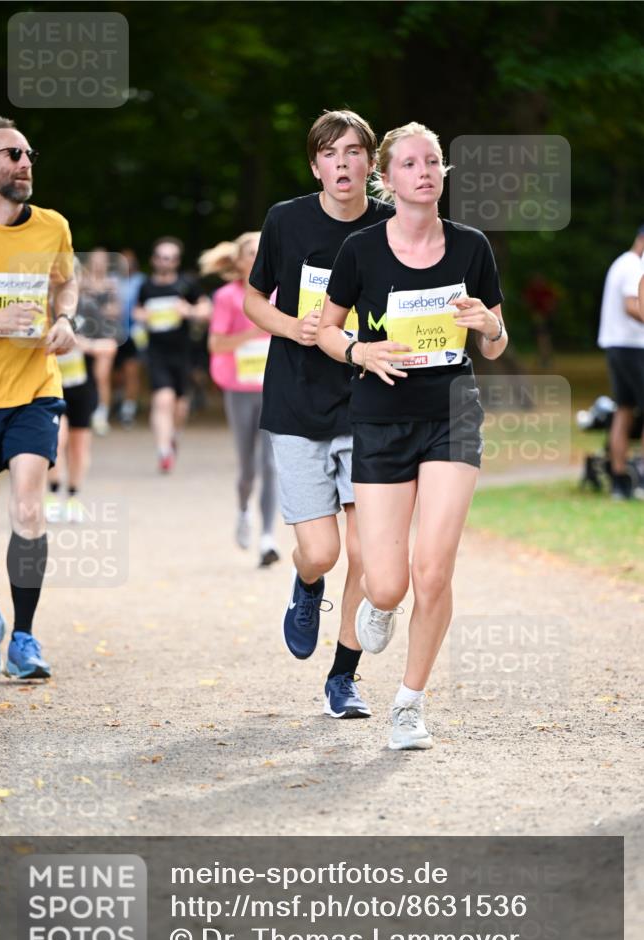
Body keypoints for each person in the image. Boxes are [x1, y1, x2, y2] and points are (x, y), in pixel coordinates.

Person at [317, 122, 508, 749]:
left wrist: (487, 325)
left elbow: (497, 340)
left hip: (453, 414)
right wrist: (359, 352)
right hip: (380, 417)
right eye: (409, 163)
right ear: (388, 178)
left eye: (433, 162)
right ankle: (379, 600)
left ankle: (409, 702)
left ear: (442, 175)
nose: (423, 171)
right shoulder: (362, 251)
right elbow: (325, 330)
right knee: (388, 581)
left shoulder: (472, 246)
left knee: (433, 570)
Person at [244, 109, 394, 720]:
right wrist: (296, 329)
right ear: (316, 165)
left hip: (371, 403)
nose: (343, 163)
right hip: (298, 400)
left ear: (370, 164)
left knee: (368, 553)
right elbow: (255, 300)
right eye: (331, 153)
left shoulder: (392, 225)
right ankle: (307, 586)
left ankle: (343, 678)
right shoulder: (286, 219)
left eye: (355, 152)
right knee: (324, 553)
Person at [0, 114, 77, 679]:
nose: (24, 162)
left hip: (34, 389)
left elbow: (67, 280)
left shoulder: (52, 226)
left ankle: (27, 638)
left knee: (28, 508)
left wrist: (65, 317)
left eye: (28, 154)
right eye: (11, 154)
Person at [201, 233, 280, 567]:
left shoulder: (282, 293)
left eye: (263, 250)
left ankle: (267, 539)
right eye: (251, 252)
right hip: (239, 388)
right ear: (239, 261)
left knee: (271, 465)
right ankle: (244, 509)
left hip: (274, 389)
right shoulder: (227, 297)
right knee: (248, 468)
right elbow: (216, 345)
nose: (258, 256)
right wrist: (253, 332)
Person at [46, 262, 118, 522]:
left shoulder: (88, 309)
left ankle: (74, 496)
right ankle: (52, 493)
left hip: (81, 387)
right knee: (56, 439)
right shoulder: (40, 308)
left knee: (78, 446)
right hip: (49, 387)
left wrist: (84, 345)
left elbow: (110, 346)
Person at [133, 237, 211, 472]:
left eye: (170, 258)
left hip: (184, 352)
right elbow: (137, 310)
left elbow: (207, 310)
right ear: (153, 259)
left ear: (176, 261)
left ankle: (173, 436)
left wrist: (189, 311)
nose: (164, 261)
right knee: (162, 399)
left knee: (180, 407)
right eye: (160, 257)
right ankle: (163, 451)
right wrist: (141, 316)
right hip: (157, 352)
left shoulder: (187, 285)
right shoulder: (146, 286)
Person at [597, 226, 644, 500]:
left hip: (617, 346)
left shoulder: (620, 263)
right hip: (632, 347)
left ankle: (619, 480)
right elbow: (631, 305)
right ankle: (639, 476)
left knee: (624, 410)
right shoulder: (632, 265)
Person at [80, 248, 122, 436]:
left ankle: (101, 414)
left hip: (104, 334)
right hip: (84, 334)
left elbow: (115, 310)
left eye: (102, 261)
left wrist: (94, 309)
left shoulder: (111, 284)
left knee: (102, 376)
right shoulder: (82, 282)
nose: (98, 264)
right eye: (95, 260)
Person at [113, 247, 145, 427]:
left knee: (132, 371)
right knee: (116, 374)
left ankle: (128, 408)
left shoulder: (141, 281)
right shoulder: (112, 281)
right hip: (115, 334)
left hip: (134, 333)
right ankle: (118, 399)